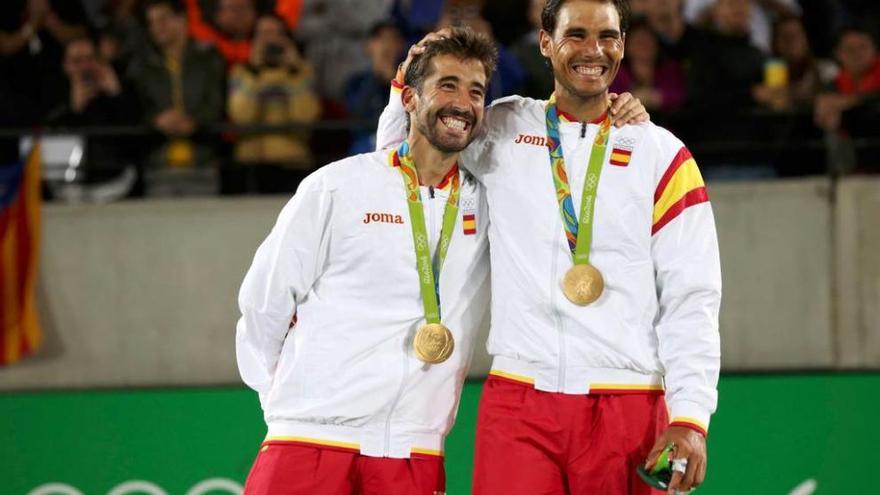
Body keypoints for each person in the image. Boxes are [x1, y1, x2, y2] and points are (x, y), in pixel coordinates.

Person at [377, 0, 721, 493]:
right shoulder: (503, 128)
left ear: (622, 47)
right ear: (545, 43)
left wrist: (690, 415)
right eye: (576, 34)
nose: (593, 50)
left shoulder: (661, 154)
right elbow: (401, 166)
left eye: (608, 36)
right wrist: (403, 86)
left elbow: (694, 294)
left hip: (626, 403)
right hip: (521, 402)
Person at [235, 27, 496, 494]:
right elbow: (264, 300)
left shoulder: (488, 203)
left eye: (476, 92)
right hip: (311, 439)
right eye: (447, 85)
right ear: (409, 99)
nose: (462, 102)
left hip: (413, 453)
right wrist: (288, 397)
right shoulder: (338, 187)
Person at [128, 0, 225, 195]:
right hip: (159, 166)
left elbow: (217, 104)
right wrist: (156, 120)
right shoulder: (142, 66)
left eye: (162, 19)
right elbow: (135, 108)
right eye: (152, 22)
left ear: (182, 19)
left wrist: (193, 122)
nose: (156, 27)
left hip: (202, 164)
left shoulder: (209, 59)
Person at [227, 13, 321, 194]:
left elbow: (305, 118)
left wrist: (293, 73)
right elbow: (241, 117)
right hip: (251, 164)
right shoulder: (241, 73)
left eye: (276, 33)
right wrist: (255, 72)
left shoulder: (303, 72)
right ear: (253, 40)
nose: (269, 40)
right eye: (263, 34)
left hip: (293, 162)